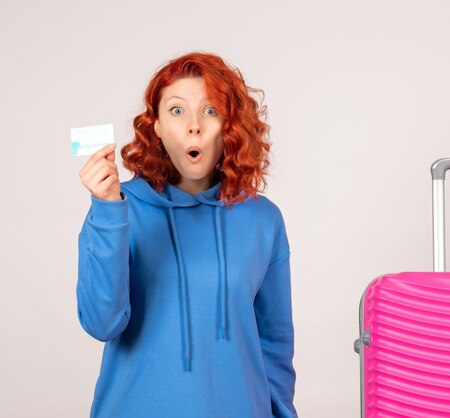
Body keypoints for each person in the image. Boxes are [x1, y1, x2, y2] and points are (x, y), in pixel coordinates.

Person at [76, 52, 297, 418]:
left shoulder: (262, 219)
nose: (193, 126)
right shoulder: (118, 207)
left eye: (210, 111)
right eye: (176, 111)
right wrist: (108, 210)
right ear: (157, 126)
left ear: (230, 125)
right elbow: (102, 323)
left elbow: (274, 345)